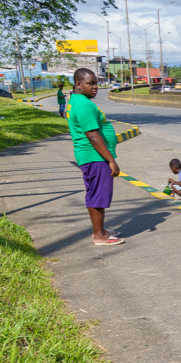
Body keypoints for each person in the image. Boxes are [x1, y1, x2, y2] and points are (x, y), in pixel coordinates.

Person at [67, 68, 123, 246]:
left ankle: (100, 231)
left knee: (95, 194)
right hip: (95, 157)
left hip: (92, 156)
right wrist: (111, 161)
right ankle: (99, 236)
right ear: (78, 84)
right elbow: (92, 135)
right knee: (97, 196)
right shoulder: (83, 105)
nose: (95, 87)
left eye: (96, 83)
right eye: (90, 83)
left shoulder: (78, 100)